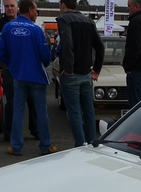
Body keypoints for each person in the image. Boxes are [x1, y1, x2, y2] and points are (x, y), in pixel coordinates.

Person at [0, 0, 57, 156]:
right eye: (36, 10)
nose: (37, 13)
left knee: (18, 111)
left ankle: (16, 146)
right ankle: (45, 145)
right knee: (41, 112)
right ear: (30, 10)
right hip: (37, 77)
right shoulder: (36, 30)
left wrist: (11, 65)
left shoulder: (7, 27)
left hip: (19, 76)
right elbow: (45, 55)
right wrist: (43, 63)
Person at [0, 0, 39, 142]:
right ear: (4, 8)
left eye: (12, 6)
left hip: (28, 69)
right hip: (10, 70)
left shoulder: (28, 24)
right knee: (12, 102)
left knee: (32, 100)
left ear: (17, 7)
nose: (9, 9)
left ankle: (35, 129)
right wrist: (4, 63)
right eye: (7, 6)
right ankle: (9, 133)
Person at [57, 0, 104, 147]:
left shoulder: (64, 19)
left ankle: (80, 144)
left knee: (74, 113)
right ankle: (92, 142)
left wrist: (68, 68)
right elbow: (100, 47)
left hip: (72, 74)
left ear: (63, 4)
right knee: (89, 111)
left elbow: (67, 44)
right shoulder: (89, 22)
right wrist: (96, 69)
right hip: (86, 73)